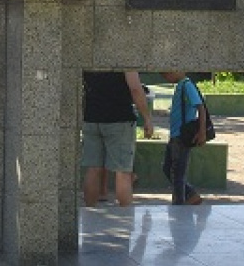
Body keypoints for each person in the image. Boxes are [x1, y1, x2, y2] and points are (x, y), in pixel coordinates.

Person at [82, 71, 153, 207]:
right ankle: (125, 219)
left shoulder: (90, 52)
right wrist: (147, 118)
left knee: (93, 169)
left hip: (91, 118)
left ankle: (89, 215)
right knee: (123, 173)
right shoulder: (125, 54)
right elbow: (135, 88)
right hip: (120, 119)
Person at [161, 72, 206, 205]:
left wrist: (202, 131)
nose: (165, 77)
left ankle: (179, 202)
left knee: (178, 173)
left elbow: (200, 107)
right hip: (175, 135)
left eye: (165, 74)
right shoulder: (180, 86)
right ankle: (190, 194)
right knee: (168, 168)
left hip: (182, 136)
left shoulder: (187, 85)